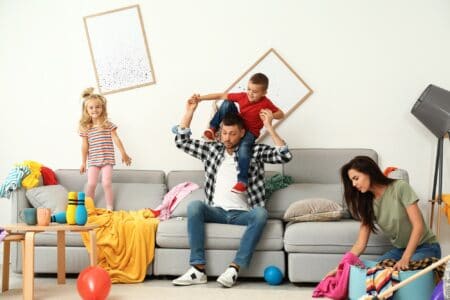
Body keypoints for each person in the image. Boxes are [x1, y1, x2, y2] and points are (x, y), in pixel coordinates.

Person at [171, 97, 292, 288]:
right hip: (216, 211)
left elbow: (284, 155)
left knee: (261, 213)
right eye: (224, 133)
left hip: (243, 214)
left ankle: (234, 269)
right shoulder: (211, 150)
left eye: (232, 134)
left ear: (243, 133)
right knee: (194, 206)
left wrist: (269, 127)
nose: (226, 138)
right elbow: (181, 141)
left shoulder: (253, 151)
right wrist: (190, 112)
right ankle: (198, 269)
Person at [327, 156, 441, 276]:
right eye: (352, 181)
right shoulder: (368, 203)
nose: (354, 184)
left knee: (403, 271)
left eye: (356, 178)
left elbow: (418, 225)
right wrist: (340, 267)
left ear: (368, 172)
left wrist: (405, 258)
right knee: (370, 271)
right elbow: (360, 244)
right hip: (400, 250)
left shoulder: (400, 187)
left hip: (427, 247)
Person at [191, 73, 284, 194]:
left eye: (255, 92)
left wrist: (270, 114)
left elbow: (281, 114)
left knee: (244, 149)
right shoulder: (242, 96)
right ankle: (212, 129)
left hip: (250, 132)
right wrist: (201, 98)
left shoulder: (266, 103)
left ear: (264, 93)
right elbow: (221, 95)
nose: (250, 93)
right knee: (227, 103)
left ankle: (242, 181)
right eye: (249, 89)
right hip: (238, 125)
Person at [79, 87, 132, 211]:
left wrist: (124, 153)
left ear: (102, 108)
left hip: (107, 160)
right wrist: (83, 162)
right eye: (91, 107)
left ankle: (109, 208)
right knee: (91, 184)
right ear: (86, 110)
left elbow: (116, 139)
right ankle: (89, 208)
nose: (95, 110)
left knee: (106, 183)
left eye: (98, 107)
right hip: (93, 161)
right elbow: (84, 146)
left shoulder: (108, 125)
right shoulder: (86, 127)